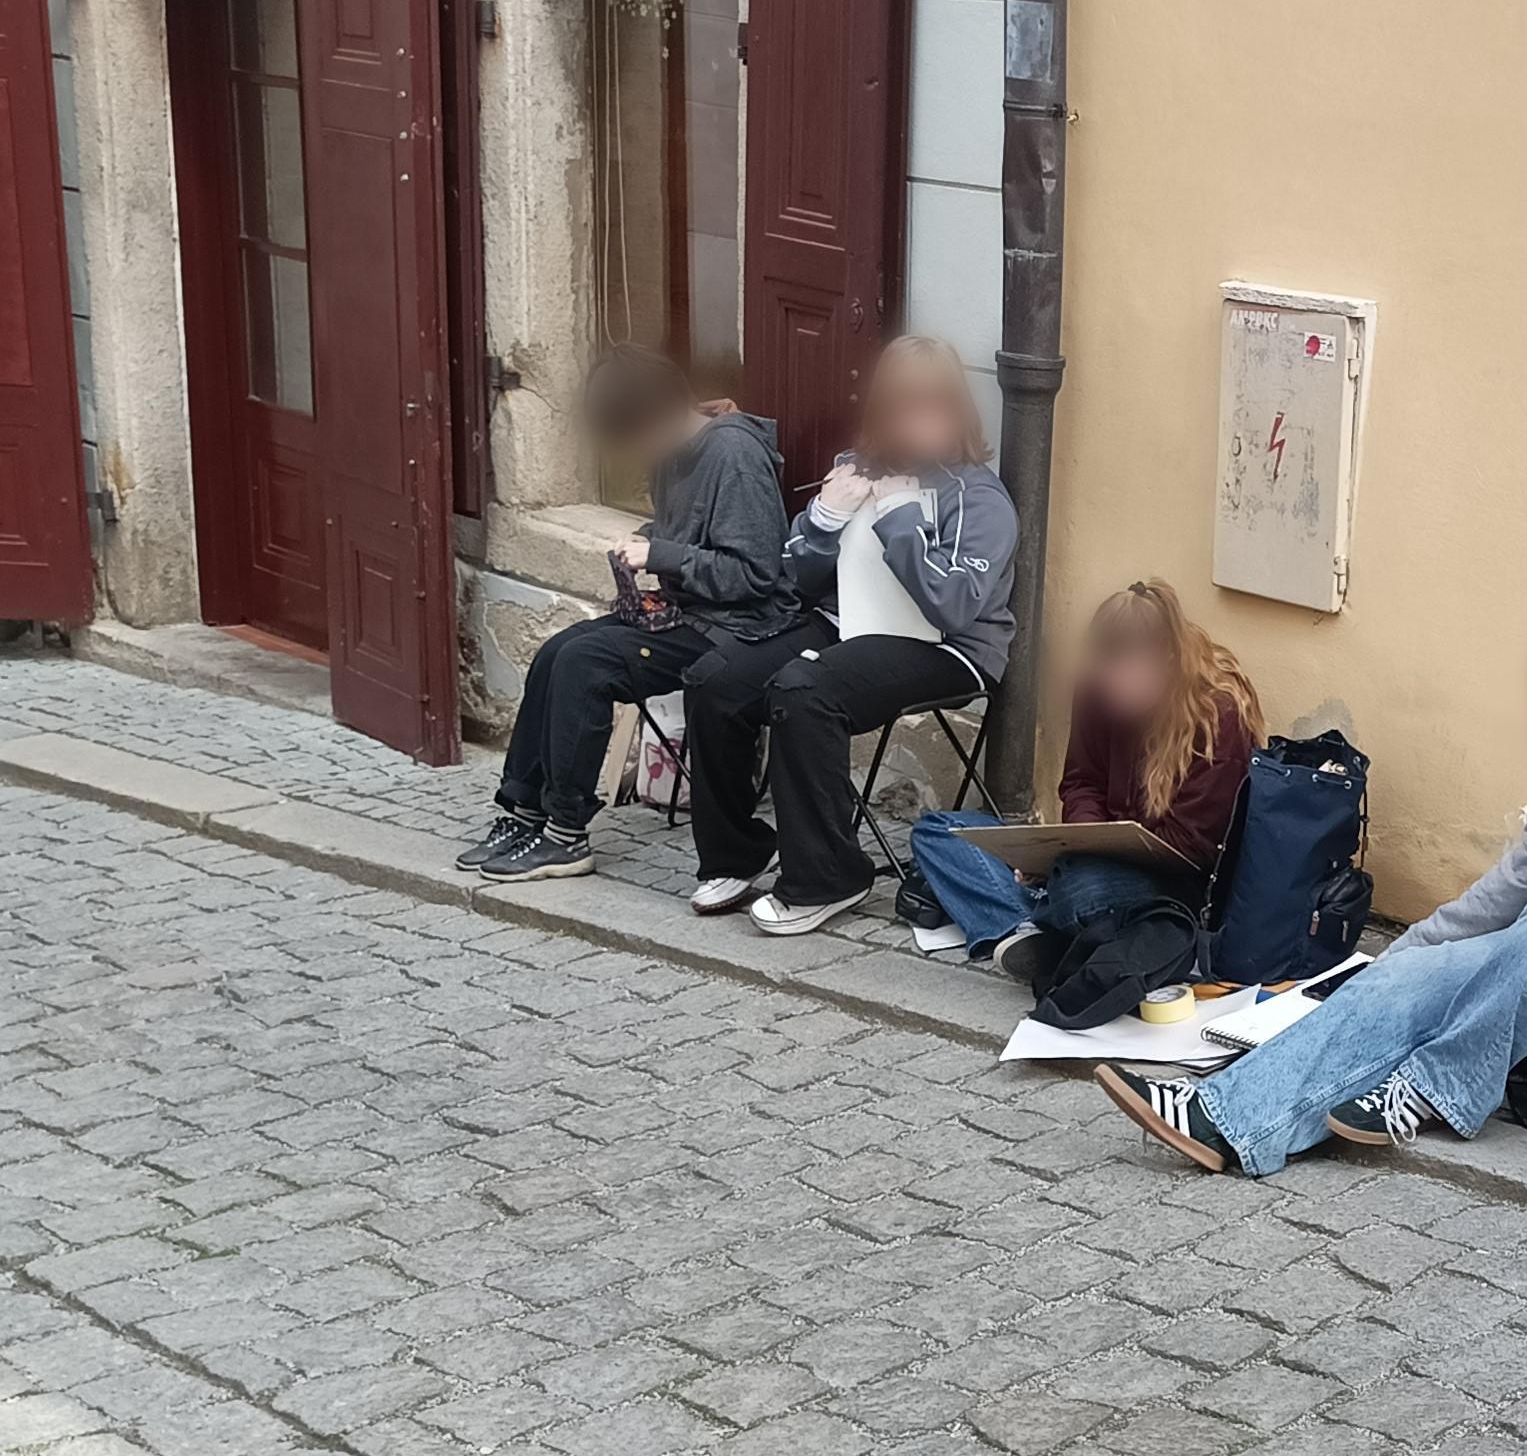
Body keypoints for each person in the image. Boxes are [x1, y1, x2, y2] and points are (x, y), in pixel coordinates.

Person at [1095, 606, 1527, 1175]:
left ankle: (1430, 1087)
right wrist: (1397, 963)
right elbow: (1500, 898)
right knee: (1424, 967)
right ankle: (1227, 1117)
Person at [679, 335, 1017, 934]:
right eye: (903, 409)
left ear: (956, 412)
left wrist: (902, 521)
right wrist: (823, 520)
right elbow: (799, 581)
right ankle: (736, 852)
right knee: (719, 678)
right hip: (847, 626)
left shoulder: (981, 498)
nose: (918, 424)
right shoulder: (855, 468)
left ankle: (828, 874)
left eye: (932, 408)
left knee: (804, 689)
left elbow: (955, 608)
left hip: (947, 650)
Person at [460, 346, 788, 884]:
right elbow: (688, 540)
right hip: (687, 615)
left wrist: (658, 554)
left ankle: (566, 835)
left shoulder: (734, 457)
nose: (636, 453)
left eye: (635, 438)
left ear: (658, 416)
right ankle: (522, 810)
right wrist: (645, 540)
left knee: (586, 664)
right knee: (556, 652)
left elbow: (757, 574)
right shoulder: (673, 454)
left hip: (737, 630)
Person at [907, 578, 1260, 982]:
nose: (1115, 688)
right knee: (940, 832)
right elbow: (1080, 782)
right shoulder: (1097, 690)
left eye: (1129, 673)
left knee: (1082, 892)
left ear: (1167, 658)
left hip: (1171, 883)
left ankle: (1026, 920)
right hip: (1094, 857)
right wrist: (1066, 846)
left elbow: (1193, 848)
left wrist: (1077, 860)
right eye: (1108, 672)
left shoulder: (1216, 711)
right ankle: (1032, 931)